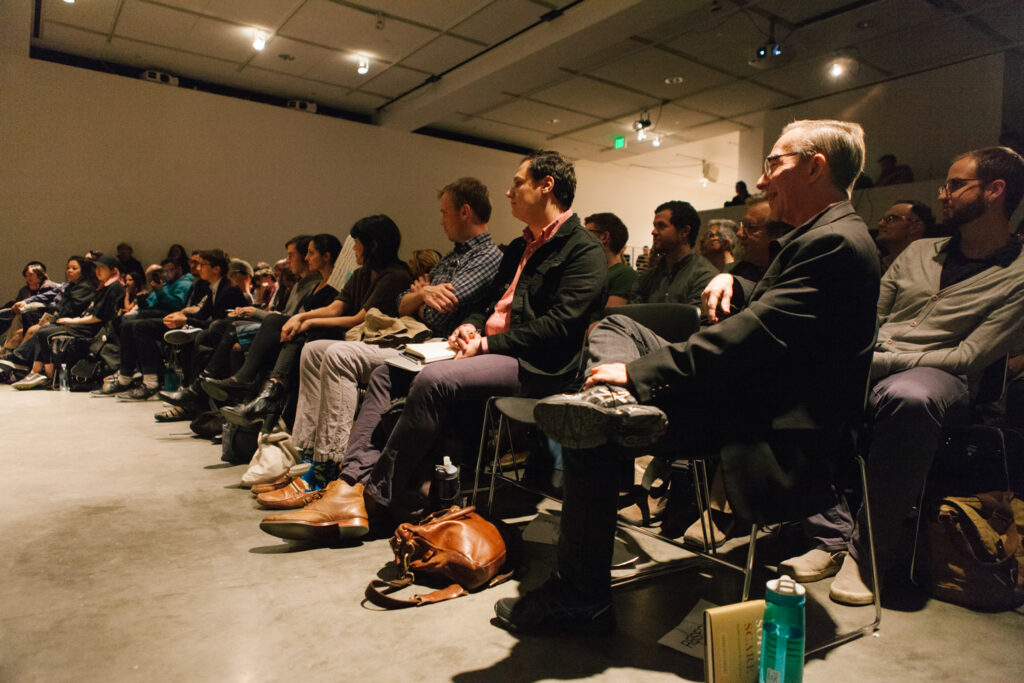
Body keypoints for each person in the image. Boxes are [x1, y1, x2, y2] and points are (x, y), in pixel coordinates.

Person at [499, 120, 880, 635]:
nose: (763, 181)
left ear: (815, 167)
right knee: (616, 325)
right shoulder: (821, 235)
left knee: (596, 435)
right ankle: (609, 404)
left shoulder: (835, 242)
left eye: (774, 163)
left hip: (766, 417)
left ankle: (580, 597)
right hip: (743, 388)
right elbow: (776, 311)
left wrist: (637, 373)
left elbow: (756, 336)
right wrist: (736, 280)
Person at [257, 150, 606, 541]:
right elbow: (488, 306)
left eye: (519, 182)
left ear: (547, 186)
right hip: (491, 350)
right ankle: (348, 483)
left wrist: (487, 344)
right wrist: (470, 329)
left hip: (534, 364)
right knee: (388, 372)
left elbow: (561, 325)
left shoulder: (583, 250)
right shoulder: (518, 249)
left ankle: (374, 498)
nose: (509, 192)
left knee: (433, 380)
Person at [781, 146, 1024, 606]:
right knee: (795, 373)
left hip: (943, 381)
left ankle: (867, 556)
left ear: (994, 191)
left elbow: (968, 356)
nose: (942, 193)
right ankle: (830, 534)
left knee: (910, 397)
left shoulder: (1019, 275)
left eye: (955, 184)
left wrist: (875, 360)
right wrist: (854, 354)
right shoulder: (919, 251)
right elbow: (868, 320)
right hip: (875, 358)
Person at [258, 177, 502, 494]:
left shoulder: (487, 257)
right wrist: (421, 295)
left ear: (464, 212)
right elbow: (403, 303)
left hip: (440, 346)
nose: (440, 220)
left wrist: (419, 298)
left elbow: (437, 311)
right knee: (315, 349)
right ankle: (308, 452)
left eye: (444, 212)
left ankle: (331, 465)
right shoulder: (450, 258)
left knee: (336, 354)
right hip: (423, 340)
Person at [215, 219, 413, 427]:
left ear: (373, 245)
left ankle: (267, 397)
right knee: (279, 322)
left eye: (358, 242)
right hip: (348, 332)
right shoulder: (361, 273)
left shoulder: (395, 276)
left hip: (369, 338)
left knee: (303, 334)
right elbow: (334, 308)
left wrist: (307, 322)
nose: (354, 248)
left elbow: (359, 319)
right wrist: (299, 318)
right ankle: (255, 387)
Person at [94, 249, 245, 400]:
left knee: (141, 327)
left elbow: (216, 323)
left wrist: (185, 320)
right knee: (129, 324)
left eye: (202, 265)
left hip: (218, 332)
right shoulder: (213, 286)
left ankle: (151, 383)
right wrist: (182, 315)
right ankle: (125, 377)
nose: (198, 268)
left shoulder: (228, 290)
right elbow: (202, 315)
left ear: (216, 268)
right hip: (203, 325)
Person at [11, 255, 127, 390]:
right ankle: (35, 371)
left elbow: (100, 317)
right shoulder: (103, 286)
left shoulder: (113, 287)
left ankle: (45, 375)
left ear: (112, 271)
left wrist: (72, 320)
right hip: (85, 322)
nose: (98, 271)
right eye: (97, 268)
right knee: (41, 330)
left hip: (95, 328)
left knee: (44, 332)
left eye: (102, 268)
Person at [1, 256, 96, 368]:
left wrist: (52, 320)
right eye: (68, 267)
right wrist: (25, 302)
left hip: (68, 321)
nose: (69, 270)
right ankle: (18, 358)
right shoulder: (68, 285)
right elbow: (46, 297)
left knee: (37, 330)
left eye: (74, 268)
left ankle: (20, 359)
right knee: (25, 319)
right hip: (54, 315)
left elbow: (70, 310)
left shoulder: (84, 288)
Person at [629, 201, 718, 307]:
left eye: (661, 226)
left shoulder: (704, 276)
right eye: (654, 226)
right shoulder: (648, 277)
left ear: (684, 232)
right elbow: (631, 315)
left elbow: (694, 321)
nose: (654, 232)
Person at [730, 196, 791, 282]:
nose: (739, 233)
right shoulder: (737, 273)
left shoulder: (794, 274)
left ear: (779, 234)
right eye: (742, 225)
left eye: (750, 227)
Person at [585, 212, 636, 309]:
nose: (581, 239)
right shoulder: (588, 272)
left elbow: (609, 320)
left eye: (587, 233)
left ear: (604, 237)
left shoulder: (625, 275)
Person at [874, 200, 936, 272]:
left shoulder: (929, 266)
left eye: (890, 219)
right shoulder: (880, 264)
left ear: (916, 227)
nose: (880, 224)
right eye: (882, 219)